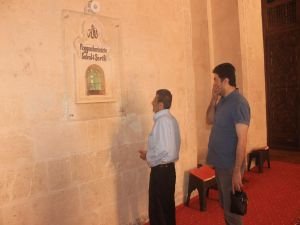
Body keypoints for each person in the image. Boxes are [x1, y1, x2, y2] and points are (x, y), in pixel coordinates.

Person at [206, 63, 250, 225]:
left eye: (216, 79)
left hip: (231, 165)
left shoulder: (239, 103)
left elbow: (242, 140)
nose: (214, 83)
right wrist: (213, 99)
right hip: (220, 164)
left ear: (225, 81)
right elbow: (209, 119)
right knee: (225, 205)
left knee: (232, 210)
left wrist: (237, 171)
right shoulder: (223, 101)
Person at [139, 89, 181, 225]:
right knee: (166, 208)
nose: (152, 102)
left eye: (155, 100)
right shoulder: (171, 120)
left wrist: (148, 155)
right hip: (168, 170)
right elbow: (172, 146)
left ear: (161, 105)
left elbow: (164, 150)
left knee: (158, 210)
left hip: (161, 172)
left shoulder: (162, 121)